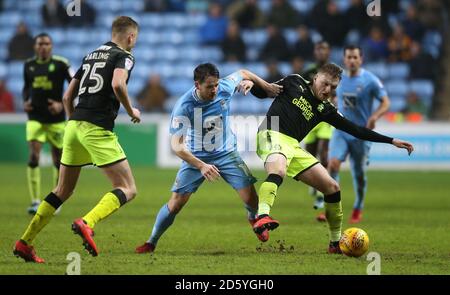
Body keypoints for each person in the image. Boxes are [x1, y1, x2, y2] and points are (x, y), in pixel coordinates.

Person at [13, 16, 141, 263]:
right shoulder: (124, 56)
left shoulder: (91, 55)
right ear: (130, 37)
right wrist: (131, 110)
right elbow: (117, 84)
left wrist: (74, 123)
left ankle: (24, 242)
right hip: (97, 127)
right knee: (128, 188)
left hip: (73, 126)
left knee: (62, 190)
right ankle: (87, 222)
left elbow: (66, 97)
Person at [250, 63, 413, 253]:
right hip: (271, 133)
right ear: (316, 78)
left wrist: (391, 140)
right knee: (278, 170)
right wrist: (250, 82)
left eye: (333, 87)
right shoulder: (294, 82)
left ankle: (335, 244)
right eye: (325, 84)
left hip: (292, 146)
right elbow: (263, 92)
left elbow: (356, 130)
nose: (327, 90)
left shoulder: (325, 109)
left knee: (332, 187)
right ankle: (262, 216)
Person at [135, 63, 282, 254]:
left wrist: (265, 86)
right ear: (197, 85)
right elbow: (176, 146)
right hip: (196, 157)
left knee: (251, 198)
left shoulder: (224, 87)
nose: (214, 90)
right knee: (177, 202)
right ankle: (151, 241)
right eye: (209, 86)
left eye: (216, 85)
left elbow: (244, 72)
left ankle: (253, 218)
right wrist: (201, 166)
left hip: (227, 153)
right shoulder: (184, 106)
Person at [328, 45, 391, 224]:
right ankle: (332, 206)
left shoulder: (370, 80)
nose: (352, 60)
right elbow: (333, 97)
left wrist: (374, 116)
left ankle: (358, 206)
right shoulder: (337, 79)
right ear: (344, 59)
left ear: (361, 59)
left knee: (359, 174)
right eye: (349, 57)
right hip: (341, 130)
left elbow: (386, 102)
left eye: (355, 57)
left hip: (361, 133)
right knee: (332, 164)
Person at [22, 33, 72, 215]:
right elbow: (26, 87)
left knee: (58, 160)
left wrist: (62, 104)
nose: (43, 47)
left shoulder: (61, 64)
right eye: (40, 44)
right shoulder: (28, 65)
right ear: (35, 46)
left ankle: (56, 200)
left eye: (47, 44)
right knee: (34, 156)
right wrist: (25, 100)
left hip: (56, 120)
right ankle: (35, 200)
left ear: (51, 46)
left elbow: (74, 84)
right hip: (35, 117)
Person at [301, 41, 333, 213]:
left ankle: (322, 194)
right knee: (311, 155)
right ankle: (315, 182)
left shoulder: (334, 72)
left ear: (329, 52)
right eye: (319, 49)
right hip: (311, 118)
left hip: (326, 118)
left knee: (325, 155)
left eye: (324, 49)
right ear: (315, 51)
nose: (321, 52)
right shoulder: (308, 71)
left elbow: (338, 93)